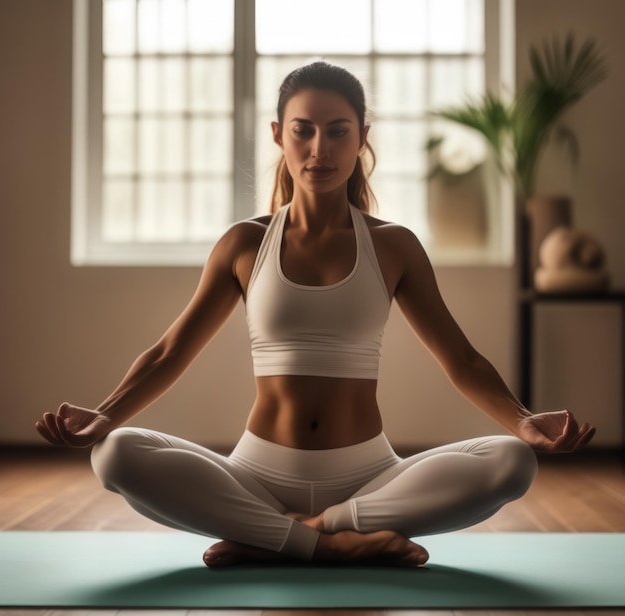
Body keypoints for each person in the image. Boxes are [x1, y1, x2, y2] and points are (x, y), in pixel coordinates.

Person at [36, 62, 595, 568]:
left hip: (370, 478)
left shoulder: (395, 246)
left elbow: (463, 360)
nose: (319, 148)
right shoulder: (244, 243)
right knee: (115, 454)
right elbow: (170, 351)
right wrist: (105, 415)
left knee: (511, 461)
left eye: (337, 130)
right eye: (302, 129)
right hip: (255, 474)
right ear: (279, 135)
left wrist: (523, 420)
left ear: (362, 138)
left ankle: (290, 535)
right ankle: (326, 545)